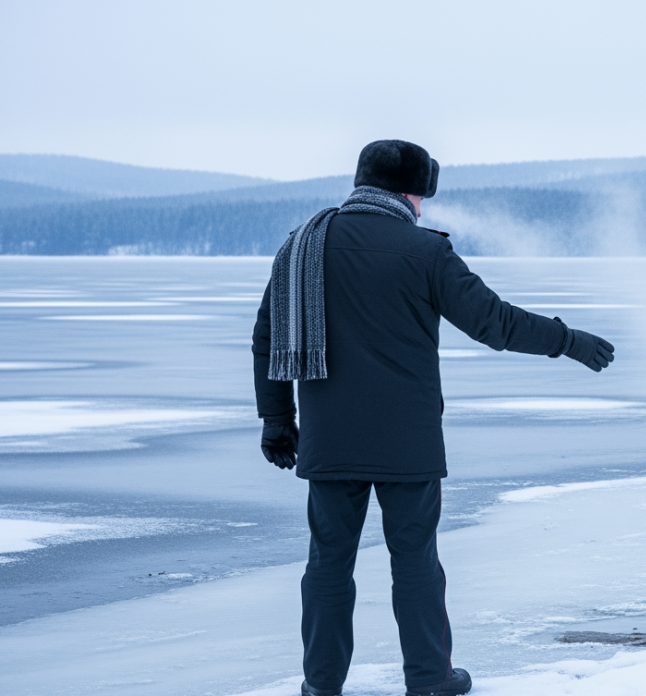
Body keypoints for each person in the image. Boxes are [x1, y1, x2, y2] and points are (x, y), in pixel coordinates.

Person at [251, 140, 615, 696]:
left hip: (329, 440)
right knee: (416, 563)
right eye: (421, 195)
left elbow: (266, 338)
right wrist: (566, 340)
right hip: (408, 442)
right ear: (408, 192)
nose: (422, 207)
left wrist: (277, 419)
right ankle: (429, 679)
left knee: (327, 566)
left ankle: (320, 685)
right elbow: (495, 323)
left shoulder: (302, 246)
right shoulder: (425, 251)